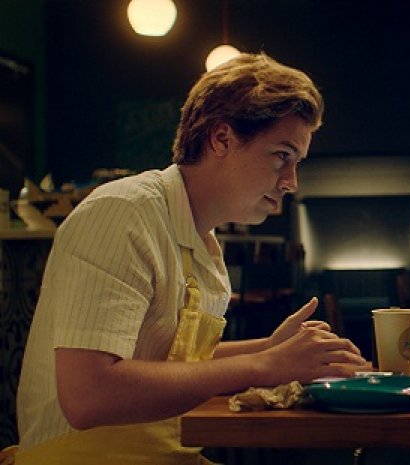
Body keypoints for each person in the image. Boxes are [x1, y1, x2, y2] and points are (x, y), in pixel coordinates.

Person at [13, 52, 366, 464]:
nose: (291, 182)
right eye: (281, 156)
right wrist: (264, 365)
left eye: (296, 163)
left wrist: (268, 349)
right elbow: (88, 396)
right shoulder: (124, 213)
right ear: (222, 139)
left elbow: (163, 364)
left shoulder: (204, 244)